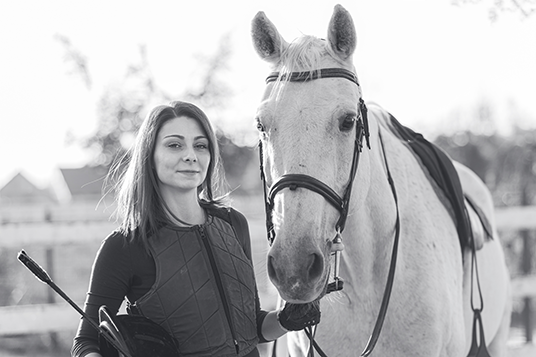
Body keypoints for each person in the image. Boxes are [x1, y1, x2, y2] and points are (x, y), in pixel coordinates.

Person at [71, 101, 292, 357]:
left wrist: (288, 319)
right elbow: (86, 341)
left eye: (200, 145)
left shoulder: (233, 224)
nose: (191, 155)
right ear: (149, 156)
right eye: (174, 145)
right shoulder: (125, 246)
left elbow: (253, 326)